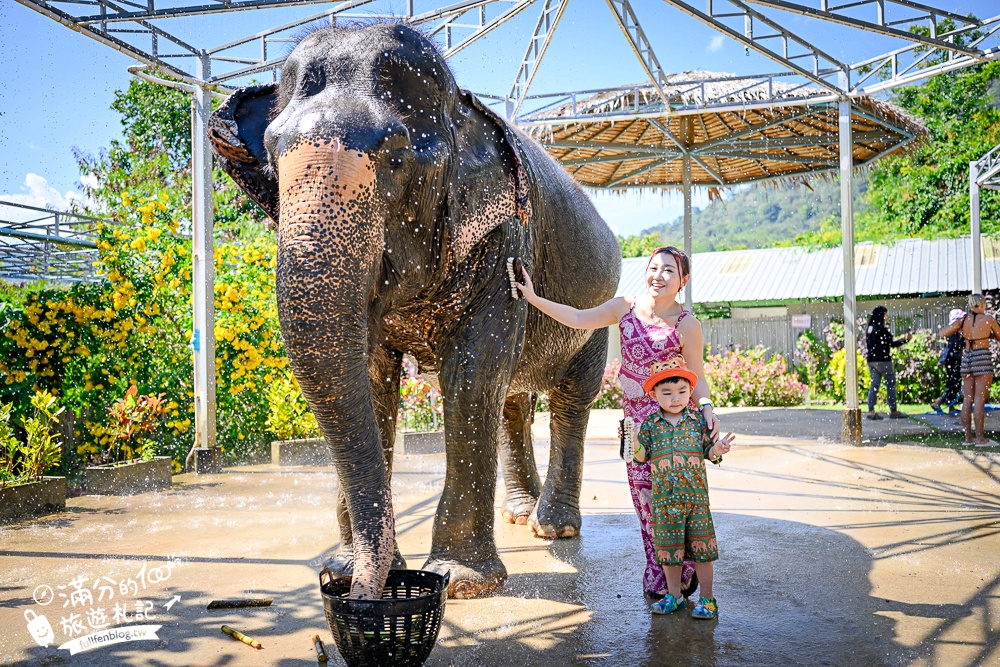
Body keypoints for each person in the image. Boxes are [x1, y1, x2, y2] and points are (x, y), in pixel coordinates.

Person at [515, 245, 721, 599]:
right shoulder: (625, 307)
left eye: (669, 270)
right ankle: (662, 571)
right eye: (653, 267)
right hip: (635, 427)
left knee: (675, 499)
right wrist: (533, 298)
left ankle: (683, 570)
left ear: (683, 280)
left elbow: (696, 375)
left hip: (673, 426)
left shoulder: (688, 325)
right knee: (644, 502)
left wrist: (707, 407)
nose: (658, 275)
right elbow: (579, 318)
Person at [633, 357, 734, 618]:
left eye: (682, 391)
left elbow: (708, 452)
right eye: (667, 393)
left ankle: (708, 599)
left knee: (703, 550)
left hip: (696, 501)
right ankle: (674, 596)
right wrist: (631, 441)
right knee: (669, 552)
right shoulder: (649, 426)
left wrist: (717, 449)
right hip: (665, 502)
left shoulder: (698, 422)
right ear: (655, 394)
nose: (675, 398)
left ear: (690, 391)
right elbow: (640, 457)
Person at [939, 294, 1000, 446]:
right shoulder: (988, 319)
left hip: (967, 357)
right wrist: (987, 335)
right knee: (979, 399)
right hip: (982, 358)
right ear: (982, 304)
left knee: (967, 399)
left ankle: (968, 439)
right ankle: (980, 438)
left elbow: (943, 333)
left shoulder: (962, 320)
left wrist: (963, 332)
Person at [865, 306, 911, 420]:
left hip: (872, 361)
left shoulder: (870, 328)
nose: (887, 317)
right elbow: (891, 344)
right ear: (882, 315)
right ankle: (893, 411)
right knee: (890, 385)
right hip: (884, 361)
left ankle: (871, 411)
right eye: (886, 314)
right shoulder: (882, 329)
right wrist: (905, 340)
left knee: (874, 385)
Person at [931, 308, 965, 414]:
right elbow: (954, 346)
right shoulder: (953, 332)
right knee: (953, 384)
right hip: (953, 360)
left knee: (955, 383)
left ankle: (948, 406)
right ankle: (941, 404)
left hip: (954, 360)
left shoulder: (957, 331)